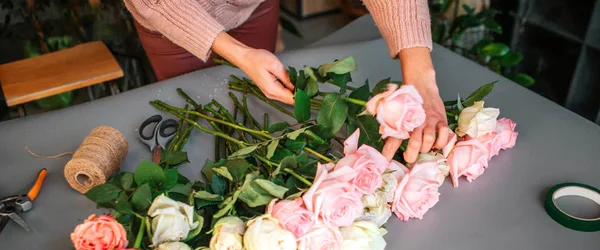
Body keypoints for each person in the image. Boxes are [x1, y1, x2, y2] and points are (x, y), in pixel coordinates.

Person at [124, 0, 450, 162]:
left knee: (261, 104)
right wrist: (239, 53)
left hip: (253, 7)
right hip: (173, 15)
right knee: (193, 128)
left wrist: (421, 73)